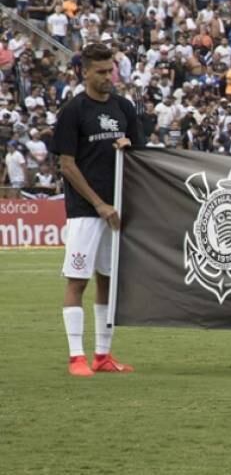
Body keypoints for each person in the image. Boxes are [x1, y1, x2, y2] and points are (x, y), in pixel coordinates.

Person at [53, 43, 142, 377]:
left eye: (111, 70)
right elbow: (67, 164)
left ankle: (102, 355)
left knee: (108, 280)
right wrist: (99, 204)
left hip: (117, 209)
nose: (108, 77)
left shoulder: (124, 107)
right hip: (85, 211)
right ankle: (76, 357)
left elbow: (139, 154)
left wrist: (128, 147)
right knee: (78, 280)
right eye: (102, 72)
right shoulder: (74, 111)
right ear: (85, 72)